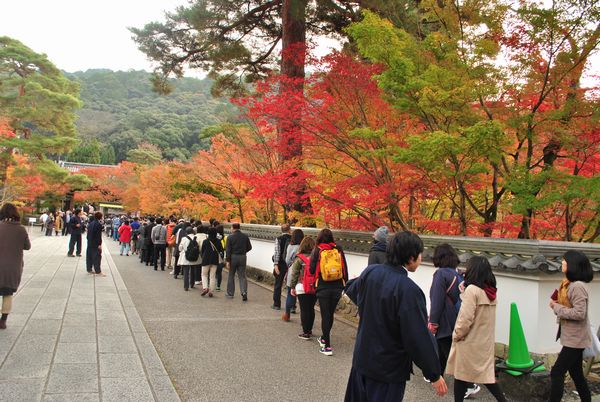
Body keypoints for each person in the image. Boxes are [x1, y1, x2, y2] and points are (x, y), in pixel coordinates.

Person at [344, 231, 448, 401]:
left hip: (362, 361)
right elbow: (417, 336)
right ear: (411, 257)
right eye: (420, 254)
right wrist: (434, 374)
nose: (421, 258)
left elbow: (351, 288)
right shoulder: (408, 290)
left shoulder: (371, 273)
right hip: (387, 370)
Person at [446, 256, 506, 402]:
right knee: (485, 375)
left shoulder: (472, 290)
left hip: (469, 341)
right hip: (483, 342)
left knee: (461, 375)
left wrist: (457, 335)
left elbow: (465, 318)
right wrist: (463, 293)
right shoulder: (490, 291)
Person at [427, 244, 482, 394]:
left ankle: (470, 385)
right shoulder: (458, 274)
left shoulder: (440, 274)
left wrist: (433, 322)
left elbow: (436, 300)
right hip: (458, 319)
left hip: (446, 320)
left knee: (451, 353)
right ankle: (436, 375)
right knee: (443, 349)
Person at [549, 250, 594, 402]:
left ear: (572, 265)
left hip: (576, 339)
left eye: (565, 261)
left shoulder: (577, 286)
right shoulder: (568, 284)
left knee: (557, 371)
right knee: (576, 374)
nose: (562, 263)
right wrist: (557, 305)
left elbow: (579, 313)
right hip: (572, 338)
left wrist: (556, 307)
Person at [308, 228, 348, 356]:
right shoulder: (338, 249)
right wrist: (345, 283)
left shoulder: (317, 250)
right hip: (337, 286)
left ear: (319, 237)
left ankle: (327, 346)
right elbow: (344, 268)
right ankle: (325, 338)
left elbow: (312, 269)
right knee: (330, 314)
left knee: (325, 314)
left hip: (323, 286)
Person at [0, 203, 31, 329]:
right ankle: (3, 320)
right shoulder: (21, 229)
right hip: (12, 267)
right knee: (7, 293)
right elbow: (27, 246)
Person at [289, 236, 317, 339]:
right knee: (311, 308)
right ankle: (309, 329)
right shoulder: (317, 257)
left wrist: (292, 287)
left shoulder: (299, 258)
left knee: (304, 309)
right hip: (315, 286)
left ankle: (306, 332)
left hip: (302, 286)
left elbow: (295, 273)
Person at [225, 222, 252, 301]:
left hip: (233, 257)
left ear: (233, 228)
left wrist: (227, 260)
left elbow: (228, 250)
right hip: (243, 257)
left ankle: (230, 293)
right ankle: (244, 292)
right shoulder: (245, 236)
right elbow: (249, 247)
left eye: (231, 227)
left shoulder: (230, 237)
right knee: (242, 276)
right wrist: (243, 251)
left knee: (231, 275)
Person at [282, 228, 304, 321]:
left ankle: (287, 315)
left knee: (290, 293)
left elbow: (287, 260)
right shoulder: (304, 247)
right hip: (303, 273)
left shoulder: (290, 246)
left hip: (292, 271)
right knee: (303, 297)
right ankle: (304, 319)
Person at [272, 223, 292, 310]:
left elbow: (277, 252)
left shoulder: (279, 239)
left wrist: (275, 264)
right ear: (289, 230)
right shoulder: (293, 239)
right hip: (291, 265)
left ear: (281, 230)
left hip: (280, 264)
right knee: (291, 284)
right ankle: (292, 306)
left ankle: (276, 304)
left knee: (278, 284)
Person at [200, 227, 223, 297]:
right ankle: (211, 291)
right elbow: (220, 251)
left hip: (206, 260)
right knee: (212, 276)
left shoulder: (205, 241)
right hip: (214, 260)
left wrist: (203, 257)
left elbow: (202, 251)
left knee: (204, 275)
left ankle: (205, 288)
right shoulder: (219, 241)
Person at [179, 226, 201, 291]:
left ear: (186, 232)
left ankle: (186, 286)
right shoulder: (196, 238)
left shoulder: (184, 238)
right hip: (195, 257)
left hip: (186, 257)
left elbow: (180, 248)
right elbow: (198, 248)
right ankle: (192, 284)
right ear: (193, 231)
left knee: (186, 271)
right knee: (193, 270)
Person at [86, 211, 105, 276]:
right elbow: (98, 236)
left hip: (90, 242)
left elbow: (88, 234)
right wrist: (99, 244)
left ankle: (89, 268)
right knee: (97, 257)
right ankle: (98, 271)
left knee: (89, 256)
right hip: (95, 243)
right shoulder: (98, 224)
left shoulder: (91, 224)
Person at [215, 224, 227, 291]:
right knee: (219, 272)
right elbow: (227, 248)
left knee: (213, 271)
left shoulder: (214, 237)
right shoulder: (225, 238)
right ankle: (218, 286)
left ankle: (210, 285)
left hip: (214, 255)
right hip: (221, 256)